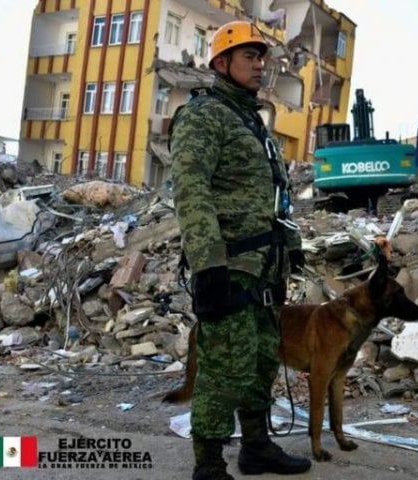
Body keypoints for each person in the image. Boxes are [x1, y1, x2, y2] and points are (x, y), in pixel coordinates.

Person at [169, 21, 311, 480]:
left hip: (265, 268)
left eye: (261, 56)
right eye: (249, 56)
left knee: (261, 361)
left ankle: (256, 448)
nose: (259, 64)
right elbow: (192, 193)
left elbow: (278, 195)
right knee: (222, 368)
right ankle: (208, 466)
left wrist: (292, 247)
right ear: (221, 62)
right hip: (229, 266)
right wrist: (208, 266)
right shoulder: (203, 116)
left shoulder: (255, 123)